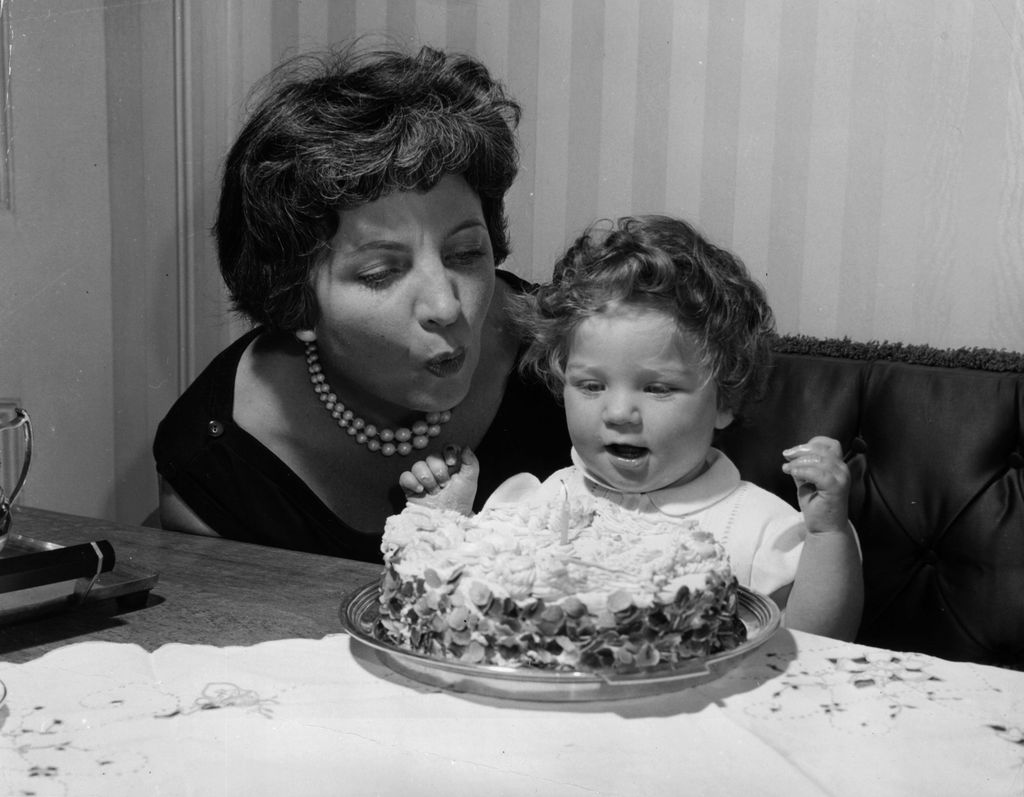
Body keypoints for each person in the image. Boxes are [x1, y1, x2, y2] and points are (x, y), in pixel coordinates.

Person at [152, 43, 571, 561]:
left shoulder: (568, 353)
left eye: (466, 253)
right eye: (380, 273)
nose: (446, 305)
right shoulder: (220, 462)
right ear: (296, 301)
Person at [399, 215, 864, 641]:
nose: (619, 412)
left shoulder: (755, 527)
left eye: (658, 388)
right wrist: (444, 521)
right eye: (591, 385)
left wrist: (827, 535)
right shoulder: (544, 504)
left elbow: (817, 644)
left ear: (725, 399)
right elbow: (464, 610)